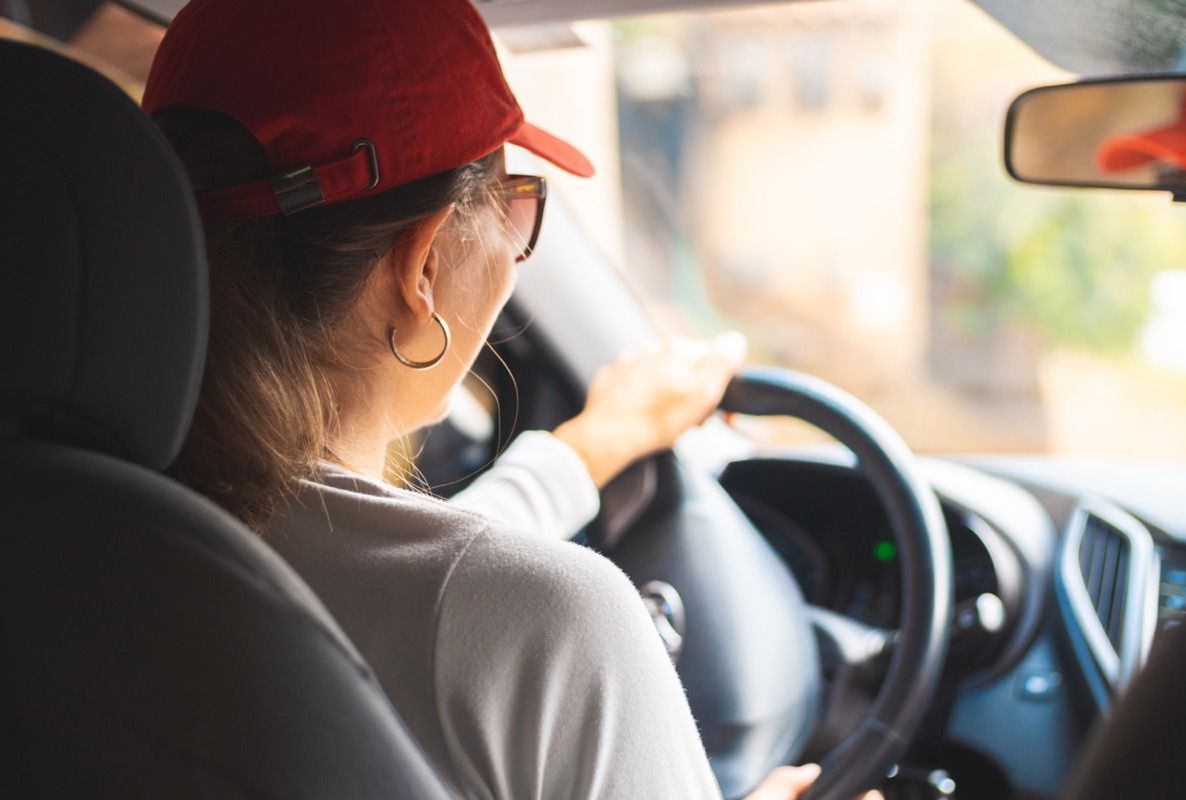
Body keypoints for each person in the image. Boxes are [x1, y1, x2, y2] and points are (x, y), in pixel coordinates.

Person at [142, 1, 882, 798]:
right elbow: (445, 599)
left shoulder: (76, 525)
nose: (516, 249)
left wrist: (591, 447)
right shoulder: (556, 629)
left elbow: (405, 581)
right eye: (513, 204)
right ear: (421, 266)